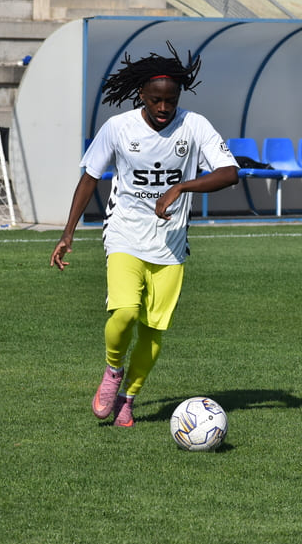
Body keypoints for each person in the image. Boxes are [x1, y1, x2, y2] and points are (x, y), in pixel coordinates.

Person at [50, 42, 239, 428]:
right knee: (124, 312)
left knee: (153, 331)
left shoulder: (195, 125)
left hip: (170, 242)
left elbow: (229, 173)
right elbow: (89, 178)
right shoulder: (118, 128)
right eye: (156, 100)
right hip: (124, 233)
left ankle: (127, 398)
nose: (164, 108)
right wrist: (68, 233)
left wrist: (182, 188)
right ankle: (112, 371)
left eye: (170, 100)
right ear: (142, 96)